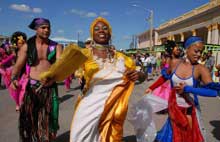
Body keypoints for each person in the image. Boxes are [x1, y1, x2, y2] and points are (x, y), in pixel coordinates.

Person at [52, 16, 144, 142]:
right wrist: (48, 77)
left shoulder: (121, 58)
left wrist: (139, 75)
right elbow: (60, 71)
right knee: (81, 137)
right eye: (97, 29)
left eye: (105, 28)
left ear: (110, 33)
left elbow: (142, 74)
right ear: (92, 33)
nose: (101, 30)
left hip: (113, 107)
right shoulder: (84, 54)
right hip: (88, 106)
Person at [150, 36, 219, 142]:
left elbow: (213, 92)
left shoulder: (200, 69)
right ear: (187, 49)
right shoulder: (175, 63)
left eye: (201, 52)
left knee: (187, 137)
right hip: (174, 109)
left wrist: (188, 89)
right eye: (196, 51)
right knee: (172, 136)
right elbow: (164, 77)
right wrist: (151, 88)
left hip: (189, 112)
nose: (199, 55)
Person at [10, 18, 63, 141]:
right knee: (30, 120)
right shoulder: (27, 46)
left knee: (50, 121)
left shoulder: (56, 46)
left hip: (50, 88)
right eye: (43, 27)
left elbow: (60, 66)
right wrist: (14, 79)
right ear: (36, 29)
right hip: (32, 89)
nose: (47, 30)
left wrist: (52, 78)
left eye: (48, 27)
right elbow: (18, 66)